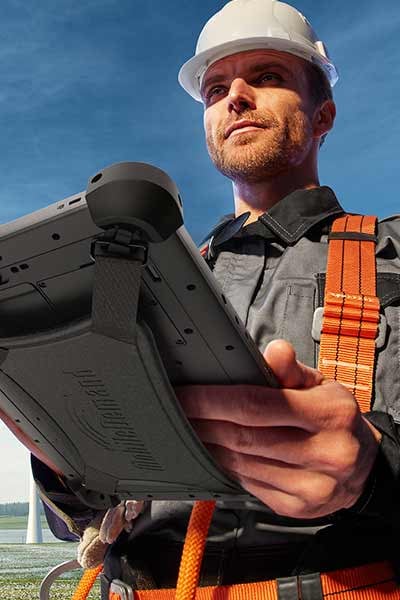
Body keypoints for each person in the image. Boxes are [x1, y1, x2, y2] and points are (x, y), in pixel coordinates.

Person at [4, 0, 400, 598]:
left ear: (324, 115)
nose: (235, 96)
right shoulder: (148, 276)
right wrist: (67, 462)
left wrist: (377, 470)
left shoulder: (391, 251)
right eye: (215, 89)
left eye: (267, 77)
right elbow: (77, 527)